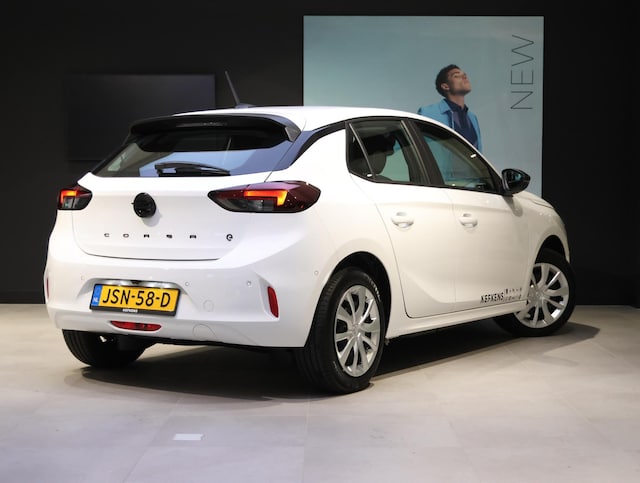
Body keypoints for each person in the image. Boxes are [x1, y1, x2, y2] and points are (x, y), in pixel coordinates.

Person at [417, 64, 482, 152]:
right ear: (445, 86)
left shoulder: (472, 118)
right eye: (456, 76)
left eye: (464, 74)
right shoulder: (428, 113)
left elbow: (478, 150)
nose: (464, 76)